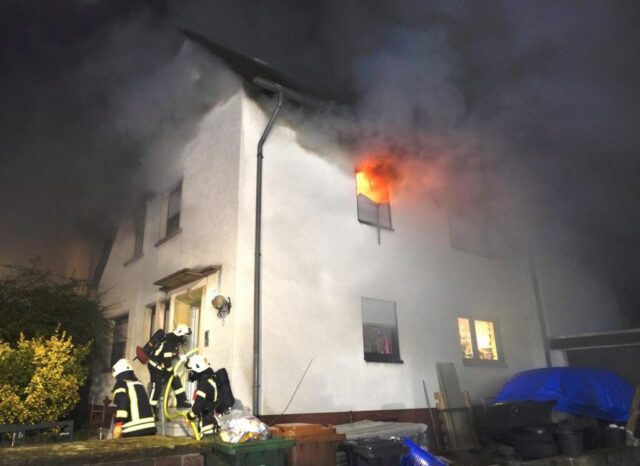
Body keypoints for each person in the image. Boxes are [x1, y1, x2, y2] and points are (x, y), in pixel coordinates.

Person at [147, 324, 192, 411]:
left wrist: (180, 356)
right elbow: (167, 361)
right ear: (180, 334)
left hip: (162, 365)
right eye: (184, 336)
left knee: (176, 380)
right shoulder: (171, 341)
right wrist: (171, 372)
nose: (184, 338)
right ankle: (151, 409)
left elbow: (170, 354)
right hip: (155, 366)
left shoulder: (172, 338)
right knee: (157, 388)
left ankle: (181, 402)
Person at [111, 358, 157, 438]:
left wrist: (119, 423)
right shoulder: (139, 384)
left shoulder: (121, 384)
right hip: (150, 428)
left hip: (133, 429)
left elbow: (123, 401)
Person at [185, 354, 219, 437]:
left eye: (191, 370)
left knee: (206, 444)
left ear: (197, 369)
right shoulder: (209, 378)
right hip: (211, 421)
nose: (191, 373)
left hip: (208, 427)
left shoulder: (204, 383)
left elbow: (198, 405)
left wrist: (189, 416)